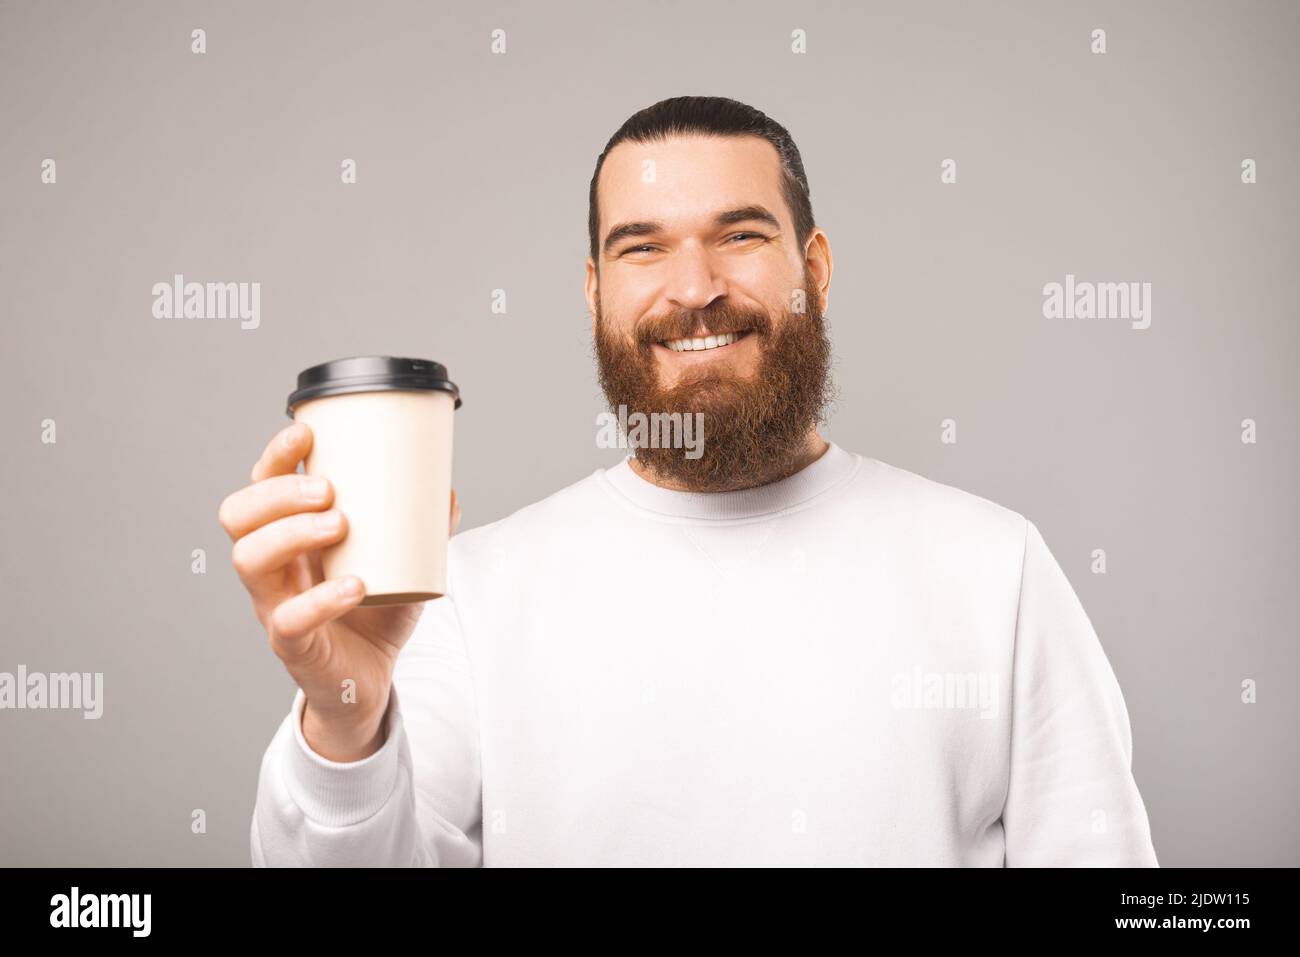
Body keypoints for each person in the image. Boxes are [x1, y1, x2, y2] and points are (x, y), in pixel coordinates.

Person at [222, 95, 1158, 866]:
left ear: (815, 270)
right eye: (643, 247)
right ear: (594, 291)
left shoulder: (997, 569)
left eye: (740, 235)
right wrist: (343, 716)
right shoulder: (464, 597)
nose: (695, 286)